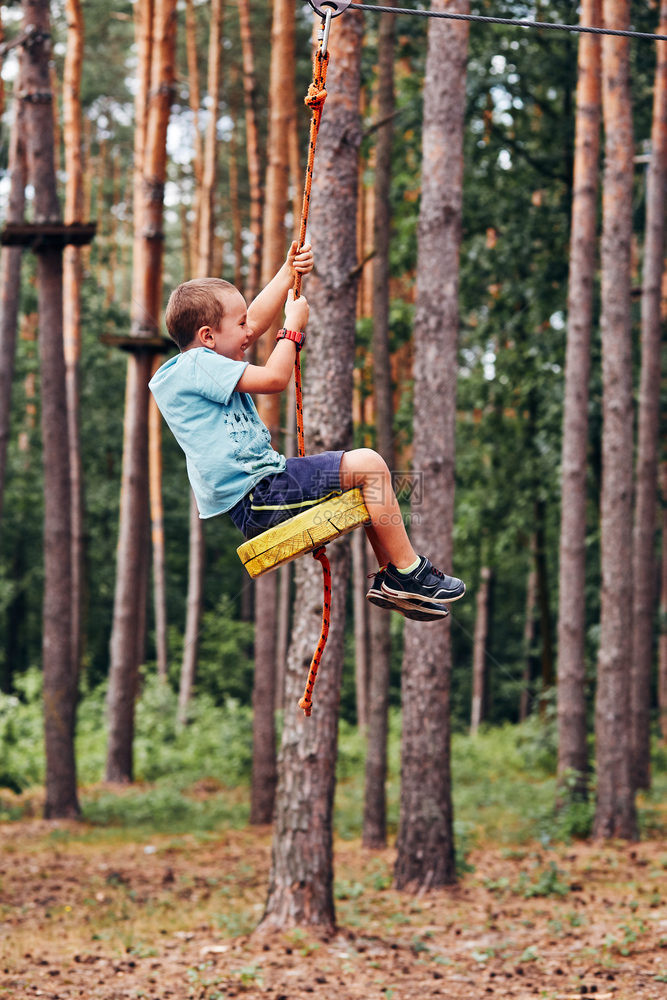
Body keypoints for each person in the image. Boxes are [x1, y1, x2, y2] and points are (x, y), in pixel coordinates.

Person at [149, 242, 465, 622]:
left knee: (369, 482)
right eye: (239, 324)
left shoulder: (203, 361)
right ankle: (409, 572)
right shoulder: (199, 364)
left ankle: (393, 577)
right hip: (260, 496)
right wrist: (293, 329)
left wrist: (287, 273)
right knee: (370, 465)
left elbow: (254, 323)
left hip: (264, 492)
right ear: (208, 336)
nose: (248, 330)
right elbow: (275, 378)